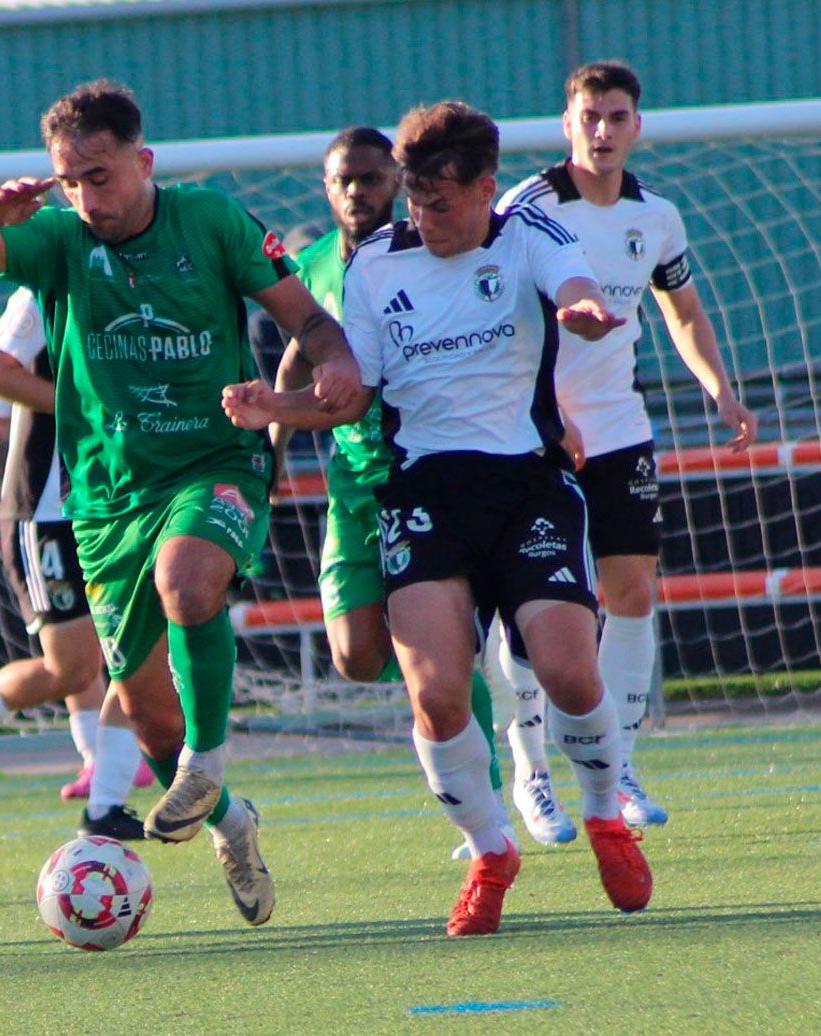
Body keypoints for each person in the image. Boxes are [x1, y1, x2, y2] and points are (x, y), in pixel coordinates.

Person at [0, 80, 361, 927]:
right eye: (72, 180)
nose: (89, 195)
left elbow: (308, 320)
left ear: (142, 160)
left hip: (216, 460)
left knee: (190, 583)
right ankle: (232, 820)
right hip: (106, 501)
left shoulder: (213, 223)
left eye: (102, 175)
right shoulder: (52, 242)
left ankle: (210, 756)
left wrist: (335, 360)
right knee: (151, 723)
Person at [224, 100, 653, 935]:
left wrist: (578, 310)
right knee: (436, 696)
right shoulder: (377, 264)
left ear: (487, 188)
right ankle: (491, 850)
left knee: (568, 672)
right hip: (423, 496)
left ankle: (604, 812)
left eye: (442, 203)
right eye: (414, 200)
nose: (423, 217)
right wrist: (275, 404)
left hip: (529, 485)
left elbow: (572, 284)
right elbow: (351, 396)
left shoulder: (530, 233)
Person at [492, 60, 759, 831]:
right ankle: (532, 772)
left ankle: (619, 763)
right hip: (535, 435)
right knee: (531, 607)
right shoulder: (529, 209)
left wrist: (720, 388)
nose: (602, 131)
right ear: (565, 122)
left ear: (636, 125)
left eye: (616, 117)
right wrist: (546, 413)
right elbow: (504, 324)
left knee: (633, 592)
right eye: (589, 117)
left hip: (620, 428)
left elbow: (683, 313)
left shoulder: (658, 218)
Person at [265, 127, 512, 855]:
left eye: (372, 180)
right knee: (354, 655)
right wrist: (273, 453)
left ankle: (483, 800)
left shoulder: (421, 250)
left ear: (395, 184)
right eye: (344, 181)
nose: (357, 194)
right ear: (327, 187)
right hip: (352, 483)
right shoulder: (309, 268)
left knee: (435, 661)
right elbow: (291, 365)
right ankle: (455, 671)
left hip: (421, 476)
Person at [0, 286, 153, 841]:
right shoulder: (40, 293)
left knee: (132, 646)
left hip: (124, 501)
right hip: (47, 510)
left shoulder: (152, 271)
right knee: (72, 666)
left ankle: (103, 789)